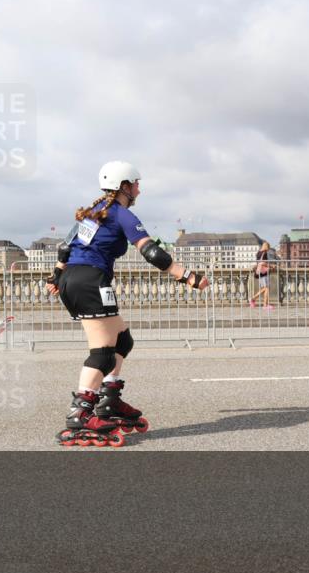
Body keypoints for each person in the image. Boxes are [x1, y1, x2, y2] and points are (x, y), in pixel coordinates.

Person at [46, 161, 210, 447]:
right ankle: (80, 416)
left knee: (122, 340)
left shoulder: (93, 214)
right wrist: (187, 277)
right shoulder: (122, 215)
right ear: (124, 186)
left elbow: (65, 247)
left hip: (75, 279)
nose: (139, 189)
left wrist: (55, 276)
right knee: (102, 353)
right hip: (90, 281)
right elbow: (151, 252)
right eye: (136, 184)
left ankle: (109, 400)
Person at [249, 241, 273, 310]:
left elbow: (258, 263)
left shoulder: (258, 253)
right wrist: (271, 266)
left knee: (265, 288)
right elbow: (263, 263)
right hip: (263, 272)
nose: (268, 249)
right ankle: (264, 305)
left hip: (259, 272)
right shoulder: (264, 253)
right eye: (268, 248)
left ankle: (255, 300)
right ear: (266, 247)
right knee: (266, 288)